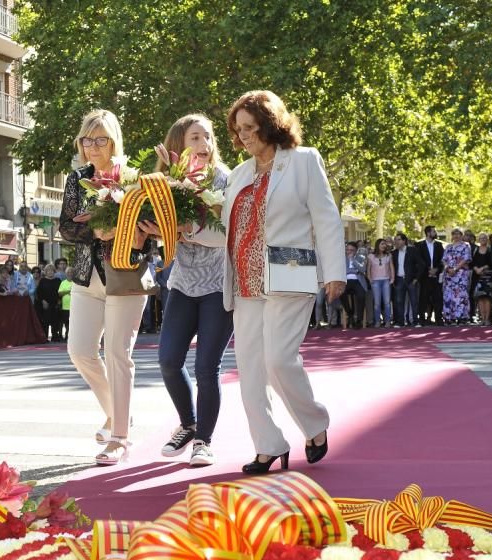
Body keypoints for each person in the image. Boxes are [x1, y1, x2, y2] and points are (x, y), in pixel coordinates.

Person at [222, 90, 344, 475]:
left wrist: (335, 271)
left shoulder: (304, 161)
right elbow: (223, 229)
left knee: (277, 360)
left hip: (290, 268)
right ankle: (268, 444)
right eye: (237, 129)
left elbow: (325, 217)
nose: (242, 136)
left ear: (270, 124)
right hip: (244, 278)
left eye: (249, 127)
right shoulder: (239, 174)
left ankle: (314, 422)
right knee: (251, 370)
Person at [58, 109, 150, 465]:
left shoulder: (133, 179)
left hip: (124, 274)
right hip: (85, 276)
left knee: (117, 354)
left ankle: (120, 437)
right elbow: (66, 227)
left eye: (100, 139)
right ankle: (118, 413)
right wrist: (96, 230)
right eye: (86, 139)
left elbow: (151, 230)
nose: (92, 146)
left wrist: (135, 233)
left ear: (114, 141)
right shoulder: (76, 179)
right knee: (80, 350)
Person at [144, 113, 233, 467]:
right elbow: (158, 229)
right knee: (168, 361)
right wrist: (150, 229)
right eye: (195, 138)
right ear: (177, 147)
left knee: (206, 367)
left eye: (208, 136)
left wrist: (183, 230)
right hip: (182, 283)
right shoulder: (164, 185)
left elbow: (228, 233)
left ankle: (204, 441)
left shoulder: (227, 179)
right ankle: (188, 423)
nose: (204, 144)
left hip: (217, 285)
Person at [392, 232, 424, 326]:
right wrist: (394, 280)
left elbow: (421, 265)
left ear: (404, 241)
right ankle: (400, 322)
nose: (396, 242)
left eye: (398, 239)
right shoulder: (393, 253)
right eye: (395, 240)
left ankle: (415, 321)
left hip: (411, 280)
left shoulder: (412, 250)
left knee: (414, 301)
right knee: (399, 302)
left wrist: (416, 278)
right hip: (399, 280)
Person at [441, 229, 471, 324]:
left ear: (461, 235)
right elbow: (444, 260)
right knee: (449, 295)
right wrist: (447, 268)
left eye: (458, 234)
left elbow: (466, 259)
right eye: (454, 234)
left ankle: (462, 317)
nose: (456, 236)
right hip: (449, 275)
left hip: (460, 274)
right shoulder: (448, 247)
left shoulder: (466, 246)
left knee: (460, 295)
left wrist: (455, 269)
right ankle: (450, 317)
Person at [415, 226, 444, 325]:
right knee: (423, 298)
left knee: (438, 298)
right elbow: (418, 260)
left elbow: (442, 260)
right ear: (428, 233)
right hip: (424, 276)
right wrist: (428, 270)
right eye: (433, 231)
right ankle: (422, 319)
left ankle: (438, 319)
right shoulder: (419, 245)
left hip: (436, 276)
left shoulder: (439, 245)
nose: (435, 233)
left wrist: (436, 269)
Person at [366, 238, 394, 327]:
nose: (384, 245)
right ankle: (377, 321)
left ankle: (387, 321)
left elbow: (391, 267)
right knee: (377, 303)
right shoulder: (371, 256)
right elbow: (368, 269)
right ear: (378, 245)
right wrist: (370, 279)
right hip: (375, 281)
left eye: (385, 244)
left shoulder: (388, 255)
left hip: (386, 280)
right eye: (382, 244)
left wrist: (392, 279)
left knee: (387, 302)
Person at [471, 232, 492, 325]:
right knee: (480, 298)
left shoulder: (490, 250)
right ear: (478, 240)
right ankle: (482, 318)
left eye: (484, 238)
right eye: (481, 238)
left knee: (488, 298)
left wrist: (483, 268)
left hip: (488, 277)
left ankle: (487, 319)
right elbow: (472, 263)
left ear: (487, 239)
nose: (483, 240)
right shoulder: (475, 250)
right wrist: (476, 269)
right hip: (478, 277)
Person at [341, 242, 367, 329]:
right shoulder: (342, 258)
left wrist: (353, 260)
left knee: (361, 296)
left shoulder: (361, 257)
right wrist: (354, 271)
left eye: (351, 250)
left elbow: (363, 269)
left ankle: (359, 320)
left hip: (358, 281)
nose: (349, 252)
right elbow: (343, 271)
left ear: (356, 251)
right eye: (347, 250)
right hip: (346, 281)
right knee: (341, 292)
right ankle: (350, 314)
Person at [35, 263, 63, 342]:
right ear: (46, 272)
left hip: (55, 303)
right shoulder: (43, 280)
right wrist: (43, 301)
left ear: (54, 271)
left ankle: (55, 336)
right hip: (45, 303)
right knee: (45, 321)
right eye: (48, 271)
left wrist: (59, 300)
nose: (50, 272)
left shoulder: (58, 280)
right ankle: (45, 337)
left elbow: (60, 291)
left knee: (55, 321)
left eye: (52, 271)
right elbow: (39, 292)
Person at [58, 267, 74, 338]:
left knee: (73, 323)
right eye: (68, 273)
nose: (70, 274)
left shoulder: (76, 283)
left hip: (74, 306)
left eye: (71, 272)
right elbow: (60, 293)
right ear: (66, 274)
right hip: (65, 306)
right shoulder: (63, 282)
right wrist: (68, 291)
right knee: (66, 322)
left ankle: (70, 336)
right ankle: (66, 335)